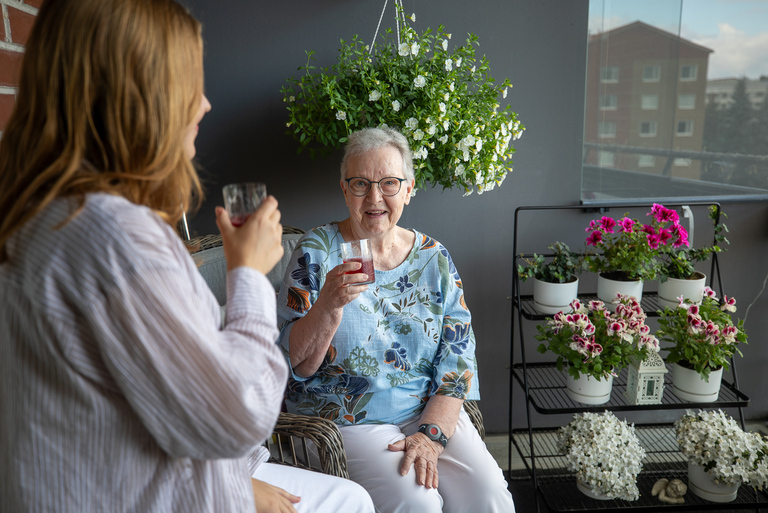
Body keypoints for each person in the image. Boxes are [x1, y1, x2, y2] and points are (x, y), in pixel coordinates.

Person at [0, 1, 374, 512]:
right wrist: (246, 274)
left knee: (349, 498)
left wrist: (241, 480)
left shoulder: (39, 217)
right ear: (138, 97)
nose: (204, 105)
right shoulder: (116, 239)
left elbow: (144, 399)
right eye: (187, 84)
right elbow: (238, 414)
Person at [277, 126, 516, 512]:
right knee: (417, 501)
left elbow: (458, 354)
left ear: (408, 189)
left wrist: (432, 434)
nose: (374, 198)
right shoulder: (316, 252)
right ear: (344, 190)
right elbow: (292, 364)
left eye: (389, 183)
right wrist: (327, 308)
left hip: (425, 409)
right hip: (351, 418)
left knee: (488, 494)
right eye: (360, 184)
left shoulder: (434, 257)